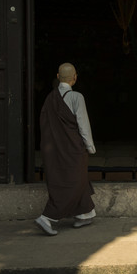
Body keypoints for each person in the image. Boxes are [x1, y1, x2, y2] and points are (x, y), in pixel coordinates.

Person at [35, 62, 97, 236]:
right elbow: (83, 124)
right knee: (73, 182)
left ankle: (85, 214)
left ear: (57, 77)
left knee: (78, 179)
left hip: (54, 150)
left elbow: (45, 126)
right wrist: (90, 146)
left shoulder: (49, 98)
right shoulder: (77, 97)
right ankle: (48, 217)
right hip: (73, 148)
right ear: (75, 78)